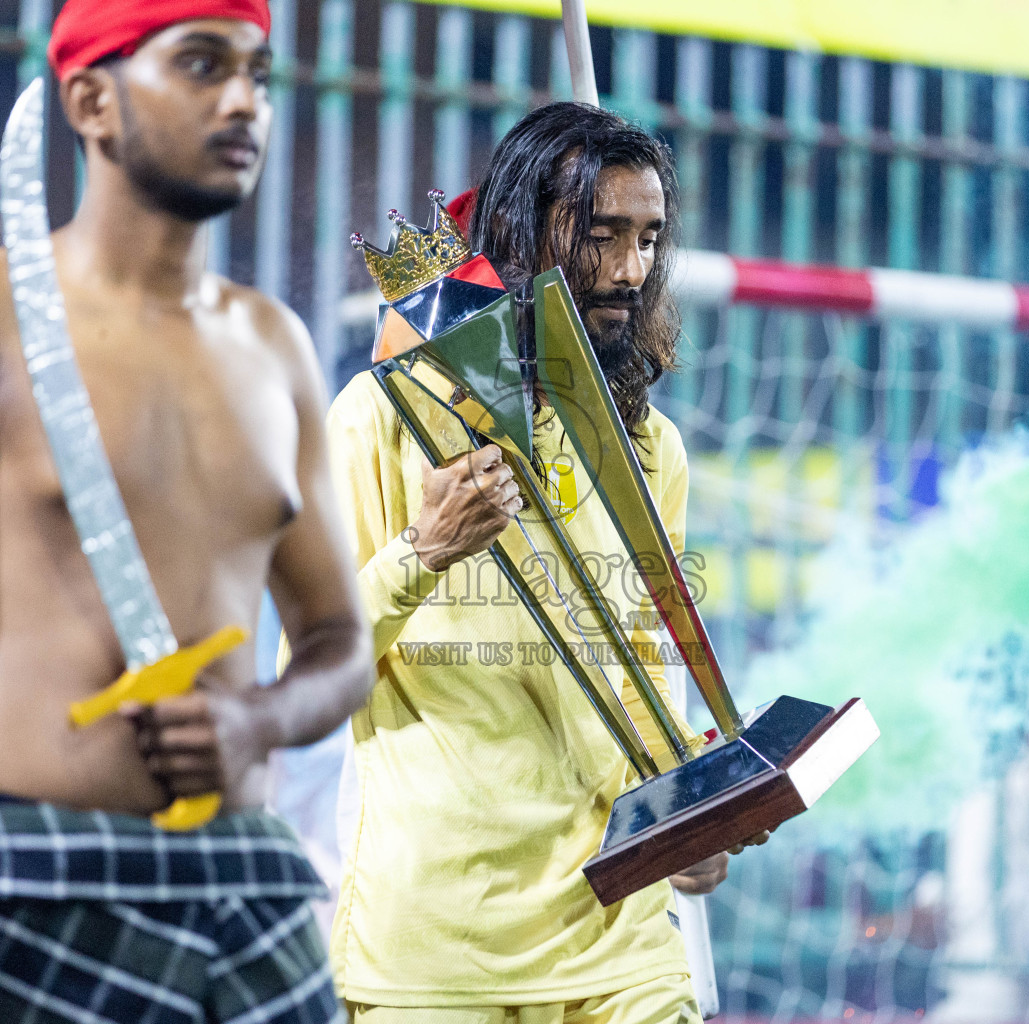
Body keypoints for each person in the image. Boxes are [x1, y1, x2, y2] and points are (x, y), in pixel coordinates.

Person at [0, 1, 370, 1021]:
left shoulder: (276, 347)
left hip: (244, 898)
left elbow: (342, 643)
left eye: (260, 74)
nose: (244, 100)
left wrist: (257, 718)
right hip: (15, 885)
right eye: (204, 65)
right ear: (92, 99)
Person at [327, 102, 748, 1024]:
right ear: (526, 232)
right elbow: (310, 676)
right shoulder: (380, 418)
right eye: (603, 236)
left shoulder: (650, 445)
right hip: (436, 945)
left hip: (619, 929)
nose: (632, 270)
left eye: (649, 239)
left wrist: (689, 806)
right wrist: (424, 552)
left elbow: (646, 668)